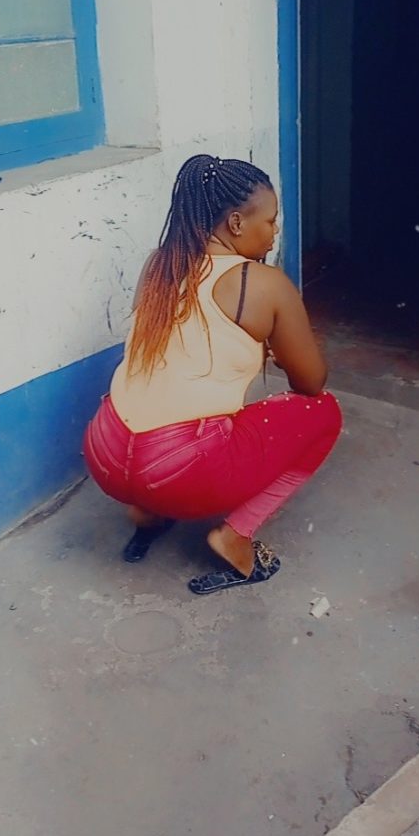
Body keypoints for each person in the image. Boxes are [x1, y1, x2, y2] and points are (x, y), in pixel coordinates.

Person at [83, 154, 341, 595]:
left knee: (159, 411)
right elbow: (310, 384)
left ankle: (146, 512)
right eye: (270, 221)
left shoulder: (159, 264)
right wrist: (282, 353)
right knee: (324, 413)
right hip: (180, 468)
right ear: (237, 223)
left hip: (104, 452)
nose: (274, 232)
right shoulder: (263, 283)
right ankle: (235, 537)